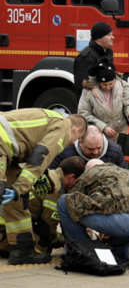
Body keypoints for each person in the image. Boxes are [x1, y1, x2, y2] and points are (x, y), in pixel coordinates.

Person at [1, 110, 88, 264]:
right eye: (78, 139)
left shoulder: (48, 121)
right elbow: (40, 157)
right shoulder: (63, 125)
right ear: (77, 130)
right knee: (11, 191)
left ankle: (22, 251)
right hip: (2, 144)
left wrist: (19, 190)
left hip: (8, 153)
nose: (72, 143)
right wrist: (20, 187)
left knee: (15, 199)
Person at [56, 158, 129, 264]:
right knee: (115, 252)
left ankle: (86, 252)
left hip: (124, 222)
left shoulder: (87, 176)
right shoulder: (124, 173)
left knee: (64, 202)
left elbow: (71, 208)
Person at [77, 56, 129, 142]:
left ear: (114, 80)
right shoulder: (88, 91)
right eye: (104, 84)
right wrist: (103, 127)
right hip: (100, 137)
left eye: (110, 84)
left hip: (122, 135)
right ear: (99, 82)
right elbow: (84, 113)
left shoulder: (123, 85)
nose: (108, 87)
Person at [49, 125, 128, 169]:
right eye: (90, 149)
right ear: (80, 142)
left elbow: (125, 175)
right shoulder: (65, 152)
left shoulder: (116, 151)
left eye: (99, 148)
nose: (95, 152)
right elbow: (51, 172)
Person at [73, 21, 115, 98]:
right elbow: (81, 87)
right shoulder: (85, 57)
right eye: (109, 35)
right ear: (98, 38)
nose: (113, 37)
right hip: (92, 104)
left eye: (112, 34)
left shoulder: (108, 52)